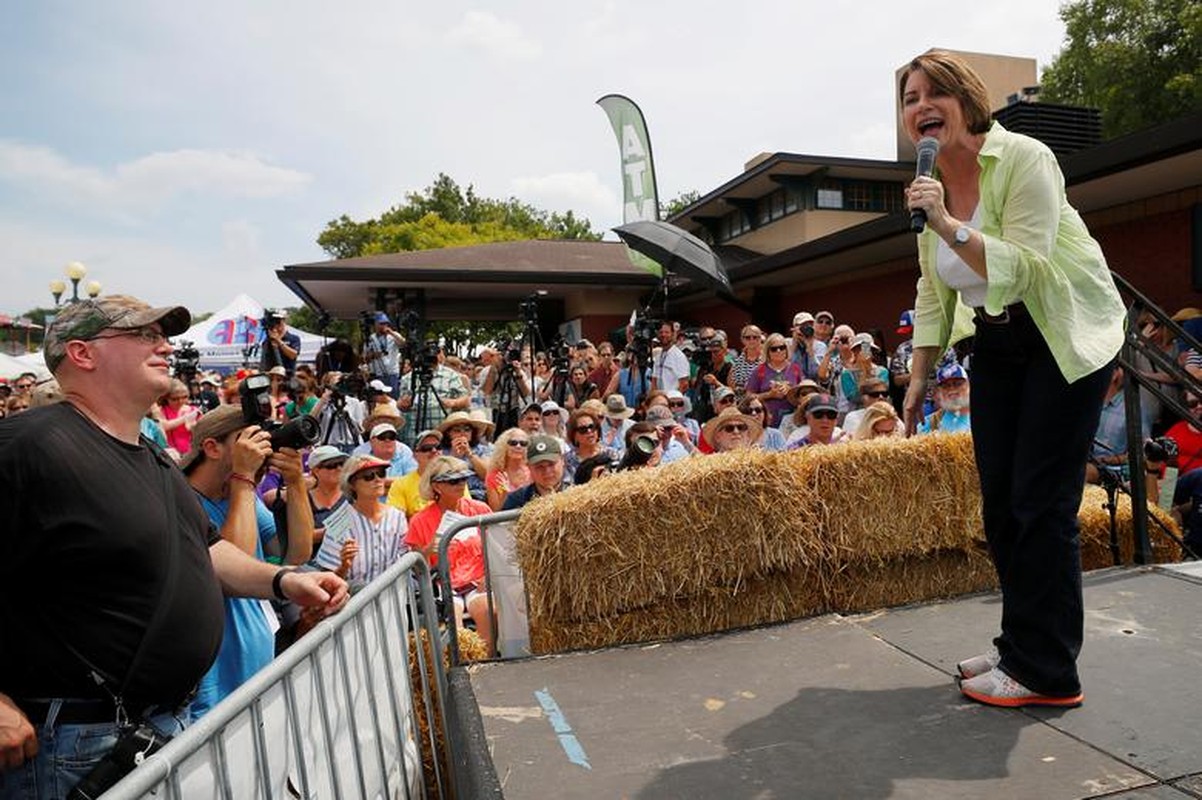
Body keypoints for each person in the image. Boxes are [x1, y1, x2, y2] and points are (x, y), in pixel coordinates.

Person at [0, 296, 346, 796]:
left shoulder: (153, 457)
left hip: (159, 732)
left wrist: (284, 580)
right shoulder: (26, 446)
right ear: (82, 353)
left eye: (163, 335)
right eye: (143, 335)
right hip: (74, 747)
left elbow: (207, 551)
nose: (164, 346)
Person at [900, 50, 1125, 708]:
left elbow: (1024, 268)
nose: (920, 106)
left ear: (968, 102)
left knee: (1040, 506)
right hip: (995, 343)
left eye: (934, 92)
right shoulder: (927, 184)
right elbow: (933, 289)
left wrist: (946, 220)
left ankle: (1050, 672)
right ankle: (1019, 647)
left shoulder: (1024, 158)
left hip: (1063, 335)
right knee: (1001, 508)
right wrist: (918, 375)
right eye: (910, 98)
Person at [181, 405, 315, 718]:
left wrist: (295, 484)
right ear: (212, 448)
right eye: (247, 439)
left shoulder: (241, 496)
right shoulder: (183, 500)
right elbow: (234, 566)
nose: (260, 447)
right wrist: (243, 478)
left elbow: (296, 553)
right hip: (214, 681)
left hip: (254, 666)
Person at [405, 456, 494, 650]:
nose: (461, 484)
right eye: (454, 481)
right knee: (452, 620)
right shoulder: (420, 521)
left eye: (464, 479)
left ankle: (489, 663)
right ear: (437, 486)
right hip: (443, 586)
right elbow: (418, 569)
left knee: (487, 610)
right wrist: (428, 551)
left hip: (478, 582)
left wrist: (488, 576)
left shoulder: (480, 509)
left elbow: (495, 550)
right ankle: (462, 671)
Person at [312, 454, 407, 591]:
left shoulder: (397, 516)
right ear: (352, 484)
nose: (377, 480)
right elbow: (327, 583)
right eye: (368, 476)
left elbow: (406, 563)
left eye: (381, 474)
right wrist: (344, 566)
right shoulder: (339, 522)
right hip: (355, 604)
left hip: (394, 600)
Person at [744, 333, 803, 428]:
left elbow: (804, 394)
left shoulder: (795, 369)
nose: (778, 351)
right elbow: (748, 398)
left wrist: (790, 391)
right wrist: (770, 394)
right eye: (774, 349)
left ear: (786, 349)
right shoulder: (760, 370)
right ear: (768, 352)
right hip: (767, 421)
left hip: (792, 421)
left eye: (781, 347)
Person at [502, 434, 566, 510]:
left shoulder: (577, 495)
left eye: (551, 464)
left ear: (562, 461)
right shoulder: (516, 500)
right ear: (528, 467)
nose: (547, 471)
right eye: (539, 467)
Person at [916, 364, 972, 435]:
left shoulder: (986, 415)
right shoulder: (930, 424)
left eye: (958, 384)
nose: (952, 390)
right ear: (939, 391)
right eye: (946, 386)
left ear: (968, 385)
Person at [485, 428, 533, 510]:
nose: (518, 446)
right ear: (504, 446)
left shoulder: (533, 471)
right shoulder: (495, 476)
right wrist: (505, 495)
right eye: (513, 443)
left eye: (523, 443)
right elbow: (495, 511)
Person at [363, 312, 404, 396]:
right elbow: (365, 358)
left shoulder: (393, 335)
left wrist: (391, 332)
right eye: (381, 324)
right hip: (378, 374)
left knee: (393, 398)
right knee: (378, 398)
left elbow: (403, 343)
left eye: (386, 323)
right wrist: (373, 355)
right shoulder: (371, 338)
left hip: (392, 373)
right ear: (376, 325)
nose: (384, 326)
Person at [158, 378, 201, 456]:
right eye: (175, 399)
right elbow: (163, 426)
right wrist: (185, 418)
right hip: (170, 455)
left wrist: (193, 427)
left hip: (189, 454)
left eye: (184, 397)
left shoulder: (193, 410)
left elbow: (201, 433)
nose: (180, 401)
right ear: (166, 398)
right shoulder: (161, 410)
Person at [650, 320, 690, 393]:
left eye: (667, 332)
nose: (663, 335)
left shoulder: (679, 356)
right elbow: (654, 381)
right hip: (659, 400)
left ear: (673, 334)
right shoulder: (658, 356)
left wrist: (673, 400)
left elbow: (684, 384)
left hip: (672, 401)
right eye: (661, 332)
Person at [260, 311, 301, 378]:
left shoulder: (293, 338)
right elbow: (264, 363)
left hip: (288, 377)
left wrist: (278, 341)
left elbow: (293, 355)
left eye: (279, 322)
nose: (277, 325)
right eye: (274, 322)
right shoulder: (267, 342)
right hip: (272, 377)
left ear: (284, 322)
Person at [788, 312, 826, 381]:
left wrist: (810, 349)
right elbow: (786, 372)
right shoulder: (786, 344)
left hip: (812, 387)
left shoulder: (820, 346)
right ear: (794, 328)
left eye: (810, 325)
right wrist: (794, 346)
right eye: (803, 325)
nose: (807, 328)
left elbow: (815, 374)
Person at [730, 325, 765, 398]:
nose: (752, 340)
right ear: (743, 340)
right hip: (740, 402)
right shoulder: (737, 362)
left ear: (760, 339)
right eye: (748, 337)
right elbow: (732, 385)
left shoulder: (766, 360)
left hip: (761, 402)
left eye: (755, 337)